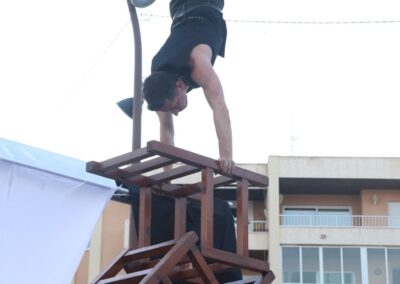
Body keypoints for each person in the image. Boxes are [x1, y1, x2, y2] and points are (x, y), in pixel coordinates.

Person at [143, 0, 234, 174]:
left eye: (174, 107)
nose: (176, 112)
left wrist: (226, 156)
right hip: (180, 9)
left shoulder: (198, 65)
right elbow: (166, 129)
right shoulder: (159, 85)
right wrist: (166, 175)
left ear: (179, 85)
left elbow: (220, 107)